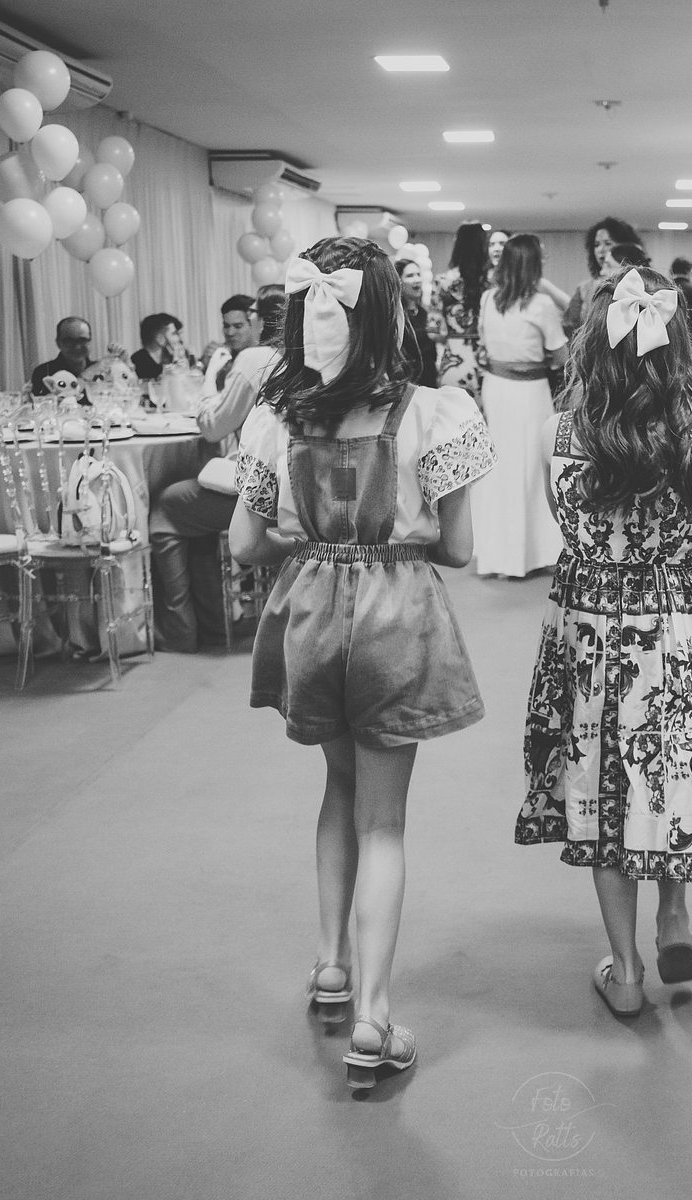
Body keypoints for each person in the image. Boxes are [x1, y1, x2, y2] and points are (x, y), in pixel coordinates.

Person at [228, 236, 496, 1088]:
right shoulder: (434, 411)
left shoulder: (275, 417)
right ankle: (375, 1017)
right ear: (389, 316)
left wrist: (312, 545)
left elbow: (243, 545)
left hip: (308, 617)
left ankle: (330, 966)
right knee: (384, 820)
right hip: (395, 618)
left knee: (336, 786)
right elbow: (458, 549)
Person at [516, 264, 692, 1018]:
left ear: (592, 343)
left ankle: (624, 974)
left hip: (587, 627)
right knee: (669, 774)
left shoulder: (555, 435)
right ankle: (674, 914)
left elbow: (565, 524)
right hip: (672, 625)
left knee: (602, 791)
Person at [150, 295, 283, 652]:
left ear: (260, 322)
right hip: (298, 491)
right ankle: (212, 623)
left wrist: (209, 382)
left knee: (166, 507)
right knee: (194, 505)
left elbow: (212, 427)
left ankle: (180, 630)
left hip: (263, 495)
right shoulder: (311, 356)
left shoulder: (256, 358)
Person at [475, 233, 566, 578]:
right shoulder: (541, 304)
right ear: (533, 264)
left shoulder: (488, 299)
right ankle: (534, 553)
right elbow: (561, 354)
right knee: (531, 469)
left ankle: (499, 555)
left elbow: (484, 343)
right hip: (530, 392)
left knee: (499, 469)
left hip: (496, 388)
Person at [430, 222, 492, 402]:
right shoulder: (494, 282)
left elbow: (434, 332)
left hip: (453, 362)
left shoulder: (442, 281)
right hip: (487, 365)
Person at [563, 217, 643, 339]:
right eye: (596, 245)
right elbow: (570, 327)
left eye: (608, 243)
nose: (601, 249)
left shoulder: (642, 285)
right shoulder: (584, 289)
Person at [396, 259, 439, 388]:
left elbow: (434, 340)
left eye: (418, 274)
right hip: (408, 384)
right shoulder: (396, 316)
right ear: (399, 281)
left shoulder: (425, 313)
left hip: (430, 382)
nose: (417, 279)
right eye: (410, 276)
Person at [31, 317, 94, 396]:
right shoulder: (43, 372)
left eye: (82, 340)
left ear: (90, 341)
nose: (77, 346)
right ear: (58, 343)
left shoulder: (100, 370)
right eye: (69, 341)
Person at [132, 312, 189, 381]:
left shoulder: (170, 357)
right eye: (174, 334)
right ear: (160, 338)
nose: (178, 339)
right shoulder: (138, 361)